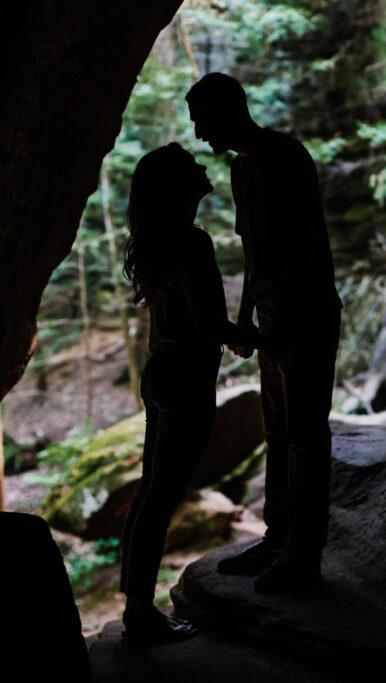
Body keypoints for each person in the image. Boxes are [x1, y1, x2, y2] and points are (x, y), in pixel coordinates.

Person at [186, 73, 342, 594]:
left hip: (307, 318)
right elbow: (253, 252)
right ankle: (278, 539)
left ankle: (305, 555)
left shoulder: (286, 156)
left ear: (230, 111)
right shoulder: (240, 169)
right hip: (273, 323)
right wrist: (250, 318)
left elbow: (304, 250)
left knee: (305, 439)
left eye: (203, 121)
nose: (200, 134)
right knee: (278, 434)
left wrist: (286, 327)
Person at [118, 142, 264, 643]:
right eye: (190, 164)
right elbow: (209, 324)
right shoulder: (191, 241)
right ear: (178, 186)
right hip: (186, 380)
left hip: (160, 373)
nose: (203, 164)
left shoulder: (158, 239)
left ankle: (135, 607)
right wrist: (257, 338)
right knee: (159, 499)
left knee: (148, 495)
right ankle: (140, 615)